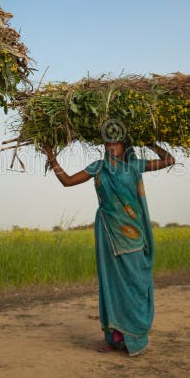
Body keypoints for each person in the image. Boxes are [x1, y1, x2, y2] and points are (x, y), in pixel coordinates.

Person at [42, 140, 175, 356]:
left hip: (132, 236)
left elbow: (169, 160)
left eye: (117, 142)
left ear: (125, 145)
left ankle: (135, 334)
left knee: (134, 283)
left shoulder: (134, 166)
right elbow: (66, 181)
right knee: (111, 285)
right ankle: (113, 338)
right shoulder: (98, 167)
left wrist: (150, 142)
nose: (111, 146)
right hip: (108, 233)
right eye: (108, 142)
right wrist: (51, 156)